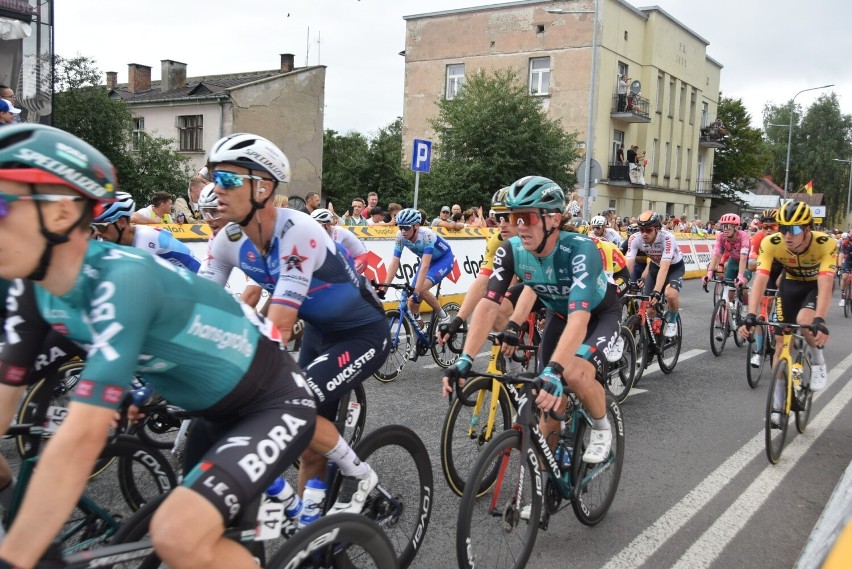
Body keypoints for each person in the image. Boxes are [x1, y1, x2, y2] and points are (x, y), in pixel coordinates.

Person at [0, 124, 316, 569]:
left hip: (274, 401)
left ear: (58, 214)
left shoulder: (123, 279)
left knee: (177, 536)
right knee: (200, 531)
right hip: (211, 407)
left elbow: (81, 437)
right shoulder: (28, 288)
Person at [198, 132, 389, 511]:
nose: (216, 190)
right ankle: (311, 528)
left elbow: (280, 327)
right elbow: (196, 303)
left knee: (290, 403)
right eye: (213, 178)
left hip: (362, 333)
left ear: (263, 187)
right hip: (320, 331)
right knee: (305, 437)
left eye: (228, 179)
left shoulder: (297, 230)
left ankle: (363, 477)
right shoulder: (226, 241)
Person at [441, 176, 618, 479]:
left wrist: (555, 370)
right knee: (546, 401)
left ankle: (602, 427)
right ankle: (547, 487)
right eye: (512, 217)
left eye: (528, 217)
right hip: (558, 317)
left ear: (554, 219)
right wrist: (465, 359)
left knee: (571, 373)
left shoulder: (580, 249)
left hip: (598, 315)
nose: (519, 225)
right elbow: (488, 303)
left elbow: (580, 319)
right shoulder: (510, 249)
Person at [740, 201, 834, 398]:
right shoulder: (771, 243)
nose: (787, 235)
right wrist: (750, 314)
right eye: (783, 228)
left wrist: (821, 319)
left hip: (814, 285)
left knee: (805, 321)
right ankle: (778, 400)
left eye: (794, 229)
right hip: (790, 286)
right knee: (781, 343)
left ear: (808, 228)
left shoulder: (825, 243)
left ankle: (818, 361)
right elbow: (761, 278)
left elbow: (826, 282)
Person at [437, 188, 520, 363]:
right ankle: (513, 365)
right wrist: (458, 320)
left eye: (508, 217)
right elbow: (482, 282)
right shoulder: (497, 240)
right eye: (498, 218)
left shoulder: (537, 240)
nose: (502, 224)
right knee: (497, 310)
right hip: (520, 280)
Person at [380, 207, 455, 329]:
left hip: (443, 260)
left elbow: (425, 265)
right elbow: (394, 262)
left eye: (406, 227)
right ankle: (421, 332)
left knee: (421, 290)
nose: (403, 231)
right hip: (428, 261)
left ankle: (444, 316)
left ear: (416, 226)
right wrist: (384, 288)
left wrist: (417, 291)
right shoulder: (400, 236)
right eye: (400, 227)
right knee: (412, 302)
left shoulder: (426, 235)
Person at [91, 191, 201, 273]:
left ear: (122, 222)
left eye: (102, 227)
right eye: (95, 227)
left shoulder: (145, 239)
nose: (98, 233)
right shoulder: (131, 238)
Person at [625, 210, 684, 337]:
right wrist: (623, 283)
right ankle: (653, 332)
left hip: (674, 267)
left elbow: (665, 267)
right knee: (649, 309)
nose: (644, 234)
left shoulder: (667, 238)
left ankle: (672, 320)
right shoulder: (635, 238)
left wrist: (657, 292)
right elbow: (629, 264)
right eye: (641, 230)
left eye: (648, 230)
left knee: (670, 295)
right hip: (654, 267)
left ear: (657, 229)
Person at [702, 212, 750, 315]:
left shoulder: (743, 236)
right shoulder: (721, 236)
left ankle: (745, 306)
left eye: (728, 226)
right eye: (723, 226)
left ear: (736, 227)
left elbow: (743, 257)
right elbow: (716, 254)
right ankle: (729, 317)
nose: (725, 229)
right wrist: (709, 273)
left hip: (746, 262)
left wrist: (741, 276)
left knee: (743, 285)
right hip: (733, 261)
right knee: (730, 293)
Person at [311, 208, 369, 273]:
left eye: (318, 226)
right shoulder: (322, 234)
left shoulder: (337, 231)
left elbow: (333, 255)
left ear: (327, 224)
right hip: (348, 259)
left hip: (360, 257)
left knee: (345, 276)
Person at [840, 232, 852, 307]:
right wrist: (839, 265)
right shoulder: (845, 244)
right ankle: (843, 297)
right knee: (844, 277)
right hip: (848, 261)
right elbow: (841, 255)